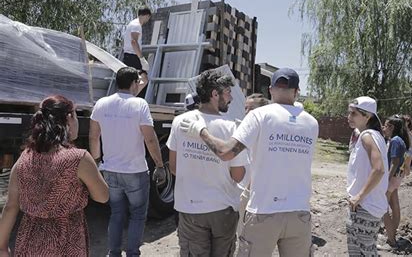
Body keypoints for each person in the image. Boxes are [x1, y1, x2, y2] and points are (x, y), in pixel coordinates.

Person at [180, 67, 319, 257]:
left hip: (264, 212)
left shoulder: (260, 115)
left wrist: (200, 131)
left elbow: (226, 152)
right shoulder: (311, 123)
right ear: (297, 91)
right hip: (299, 215)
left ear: (270, 89)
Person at [0, 95, 109, 257]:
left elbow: (10, 207)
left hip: (29, 242)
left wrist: (1, 246)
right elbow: (102, 196)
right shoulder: (79, 158)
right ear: (69, 118)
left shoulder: (25, 158)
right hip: (67, 242)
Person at [166, 69, 248, 257]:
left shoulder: (180, 122)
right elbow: (238, 176)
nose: (230, 98)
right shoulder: (231, 128)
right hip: (222, 209)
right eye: (228, 92)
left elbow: (174, 167)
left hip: (190, 208)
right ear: (214, 94)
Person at [89, 67, 166, 257]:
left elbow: (94, 137)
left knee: (116, 214)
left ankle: (114, 253)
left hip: (110, 170)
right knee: (138, 215)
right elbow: (149, 138)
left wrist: (98, 162)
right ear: (133, 83)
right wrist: (159, 165)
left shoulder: (101, 104)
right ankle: (132, 254)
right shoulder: (140, 104)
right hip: (135, 172)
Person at [346, 96, 389, 256]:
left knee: (363, 252)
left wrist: (359, 196)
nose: (349, 117)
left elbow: (378, 170)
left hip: (365, 206)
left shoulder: (367, 136)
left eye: (354, 114)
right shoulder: (372, 135)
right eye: (349, 113)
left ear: (368, 116)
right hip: (366, 205)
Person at [237, 93, 270, 235]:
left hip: (256, 190)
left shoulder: (267, 132)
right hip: (241, 188)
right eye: (245, 108)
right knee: (240, 230)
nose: (246, 113)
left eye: (250, 109)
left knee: (253, 232)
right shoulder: (243, 128)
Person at [380, 115, 410, 250]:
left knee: (382, 208)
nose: (383, 128)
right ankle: (391, 234)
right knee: (395, 205)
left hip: (392, 178)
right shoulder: (400, 139)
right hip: (397, 178)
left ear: (392, 127)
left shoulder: (395, 141)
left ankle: (391, 240)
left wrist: (385, 179)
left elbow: (395, 162)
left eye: (386, 126)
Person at [122, 7, 152, 96]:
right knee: (143, 79)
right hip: (133, 57)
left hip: (129, 56)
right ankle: (131, 97)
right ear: (147, 16)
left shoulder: (132, 24)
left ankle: (130, 96)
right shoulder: (137, 25)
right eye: (148, 18)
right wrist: (141, 58)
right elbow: (134, 42)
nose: (147, 20)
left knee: (139, 79)